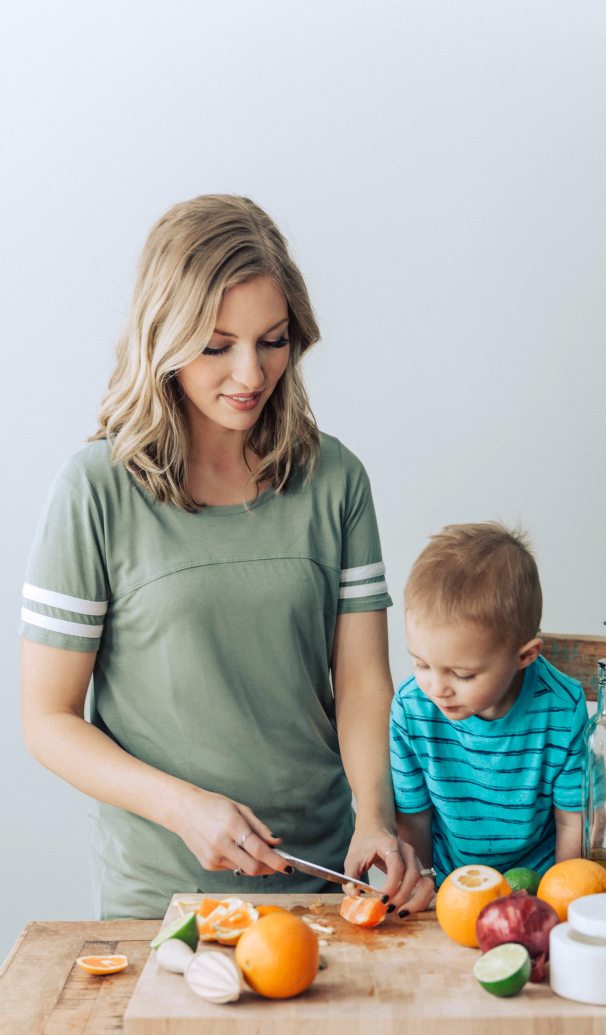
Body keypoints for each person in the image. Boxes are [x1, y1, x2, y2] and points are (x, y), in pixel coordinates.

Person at [21, 194, 430, 918]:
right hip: (163, 902)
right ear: (164, 338)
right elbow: (48, 720)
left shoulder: (335, 480)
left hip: (326, 883)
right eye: (217, 346)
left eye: (272, 341)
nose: (250, 374)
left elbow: (363, 681)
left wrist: (375, 820)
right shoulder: (94, 491)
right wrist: (182, 807)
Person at [390, 522, 588, 887]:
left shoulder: (562, 707)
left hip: (537, 885)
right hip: (451, 886)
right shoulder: (411, 708)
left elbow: (571, 820)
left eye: (462, 674)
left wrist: (560, 896)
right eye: (421, 664)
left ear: (525, 656)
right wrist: (425, 884)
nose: (437, 688)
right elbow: (414, 817)